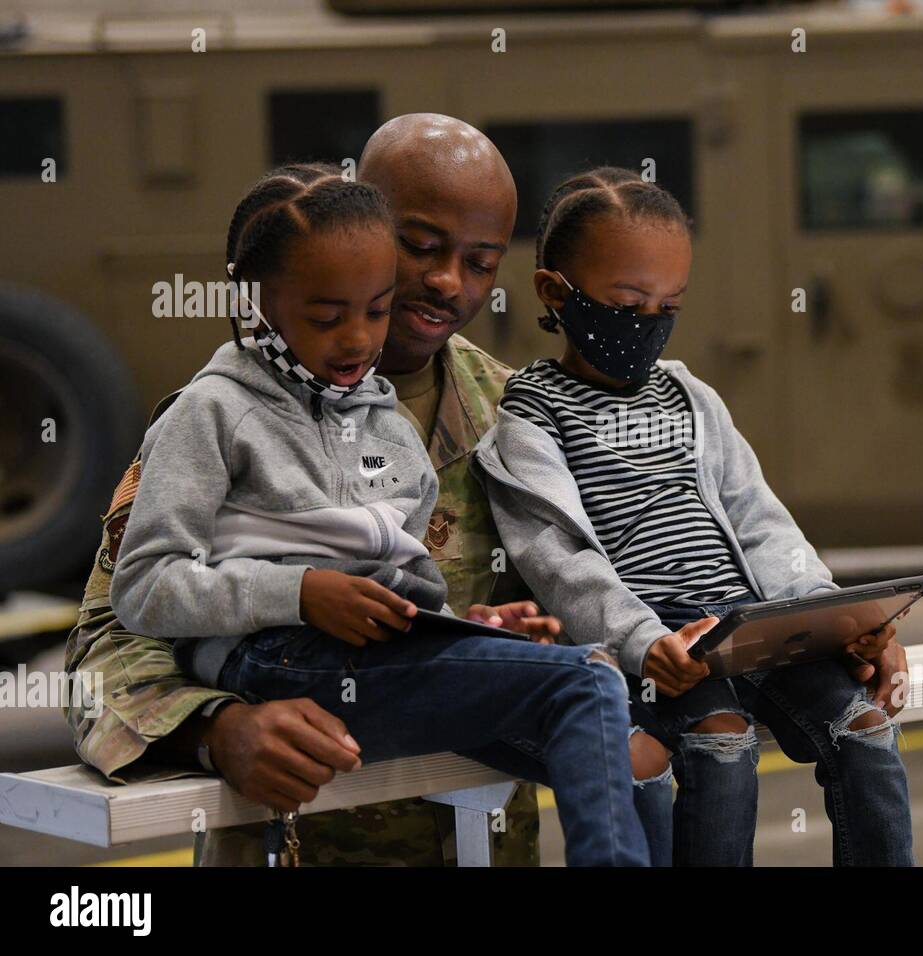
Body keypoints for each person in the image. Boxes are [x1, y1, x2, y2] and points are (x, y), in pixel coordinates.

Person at [105, 163, 648, 867]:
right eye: (420, 246)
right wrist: (216, 725)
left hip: (475, 828)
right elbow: (127, 613)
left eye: (481, 261)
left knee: (638, 741)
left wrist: (468, 627)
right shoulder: (208, 415)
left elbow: (431, 582)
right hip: (300, 781)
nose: (449, 280)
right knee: (586, 687)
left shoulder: (505, 415)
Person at [473, 167, 914, 867]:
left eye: (668, 306)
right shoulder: (532, 415)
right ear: (554, 292)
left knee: (864, 729)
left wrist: (830, 612)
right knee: (720, 741)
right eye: (628, 303)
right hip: (662, 643)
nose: (648, 325)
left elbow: (760, 520)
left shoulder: (691, 396)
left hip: (751, 621)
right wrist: (641, 641)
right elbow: (558, 560)